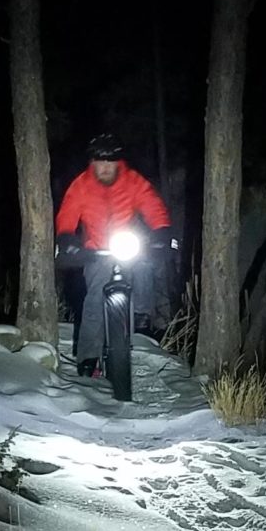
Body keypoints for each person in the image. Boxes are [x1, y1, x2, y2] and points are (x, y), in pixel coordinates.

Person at [55, 133, 172, 374]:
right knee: (95, 299)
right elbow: (67, 214)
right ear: (93, 163)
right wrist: (67, 238)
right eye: (100, 162)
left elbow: (152, 205)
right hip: (96, 251)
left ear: (118, 162)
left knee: (144, 265)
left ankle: (141, 314)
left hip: (125, 245)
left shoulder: (132, 181)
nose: (105, 167)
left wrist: (162, 231)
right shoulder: (81, 186)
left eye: (110, 162)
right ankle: (88, 358)